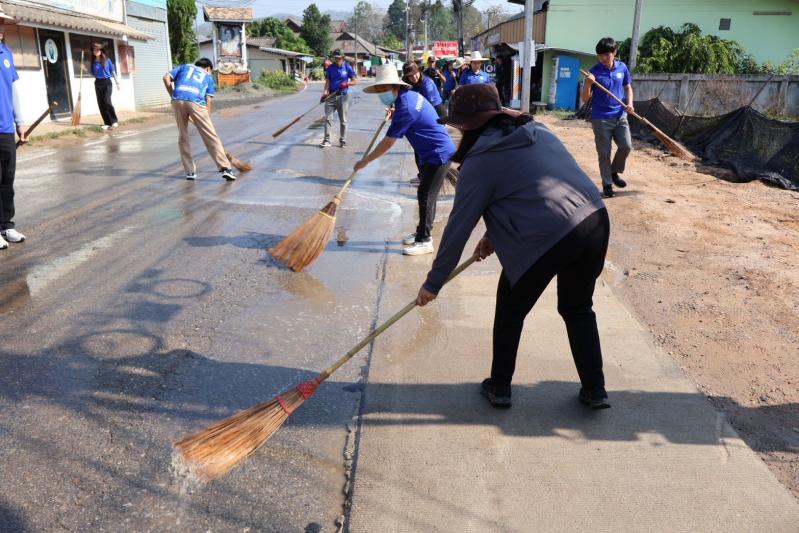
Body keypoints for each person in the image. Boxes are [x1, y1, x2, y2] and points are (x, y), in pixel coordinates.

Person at [415, 84, 610, 410]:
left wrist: (433, 283)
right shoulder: (537, 130)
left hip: (550, 234)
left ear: (466, 125)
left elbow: (457, 229)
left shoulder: (479, 162)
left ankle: (500, 386)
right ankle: (595, 390)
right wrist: (494, 235)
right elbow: (530, 188)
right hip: (595, 220)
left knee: (510, 310)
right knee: (577, 308)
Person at [355, 65, 455, 256]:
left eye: (384, 89)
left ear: (395, 86)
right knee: (427, 195)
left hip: (438, 153)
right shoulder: (407, 98)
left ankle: (425, 241)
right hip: (429, 153)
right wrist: (395, 114)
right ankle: (421, 232)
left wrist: (366, 161)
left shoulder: (406, 107)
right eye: (379, 90)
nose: (382, 94)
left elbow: (388, 142)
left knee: (426, 196)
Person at [162, 58, 236, 181]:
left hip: (177, 100)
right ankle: (225, 169)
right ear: (208, 68)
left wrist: (173, 95)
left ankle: (190, 172)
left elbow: (166, 78)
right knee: (211, 136)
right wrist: (206, 121)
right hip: (196, 102)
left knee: (183, 136)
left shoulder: (185, 66)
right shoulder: (208, 77)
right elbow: (208, 101)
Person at [581, 37, 634, 198]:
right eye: (600, 55)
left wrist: (630, 103)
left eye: (606, 54)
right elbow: (585, 99)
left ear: (614, 52)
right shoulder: (594, 72)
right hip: (601, 118)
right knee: (604, 153)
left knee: (626, 146)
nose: (603, 58)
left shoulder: (622, 68)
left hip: (620, 116)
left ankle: (613, 171)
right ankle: (607, 184)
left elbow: (628, 87)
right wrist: (588, 84)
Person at [0, 10, 28, 249]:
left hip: (6, 128)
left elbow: (14, 90)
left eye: (2, 23)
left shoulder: (6, 53)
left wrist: (20, 122)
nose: (0, 27)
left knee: (7, 179)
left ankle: (7, 225)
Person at [321, 49, 356, 148]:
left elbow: (354, 81)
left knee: (343, 120)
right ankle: (327, 140)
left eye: (338, 58)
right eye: (335, 58)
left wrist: (346, 83)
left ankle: (343, 140)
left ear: (343, 57)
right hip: (331, 96)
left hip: (343, 97)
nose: (336, 59)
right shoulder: (330, 68)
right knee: (328, 119)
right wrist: (325, 93)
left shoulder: (347, 67)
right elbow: (327, 82)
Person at [89, 43, 120, 130]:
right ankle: (107, 122)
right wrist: (84, 69)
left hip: (107, 82)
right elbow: (93, 73)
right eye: (94, 50)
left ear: (101, 51)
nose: (95, 51)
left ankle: (114, 121)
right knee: (101, 103)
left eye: (97, 50)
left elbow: (112, 71)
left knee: (107, 101)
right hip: (98, 82)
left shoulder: (107, 60)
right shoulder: (93, 62)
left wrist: (117, 83)